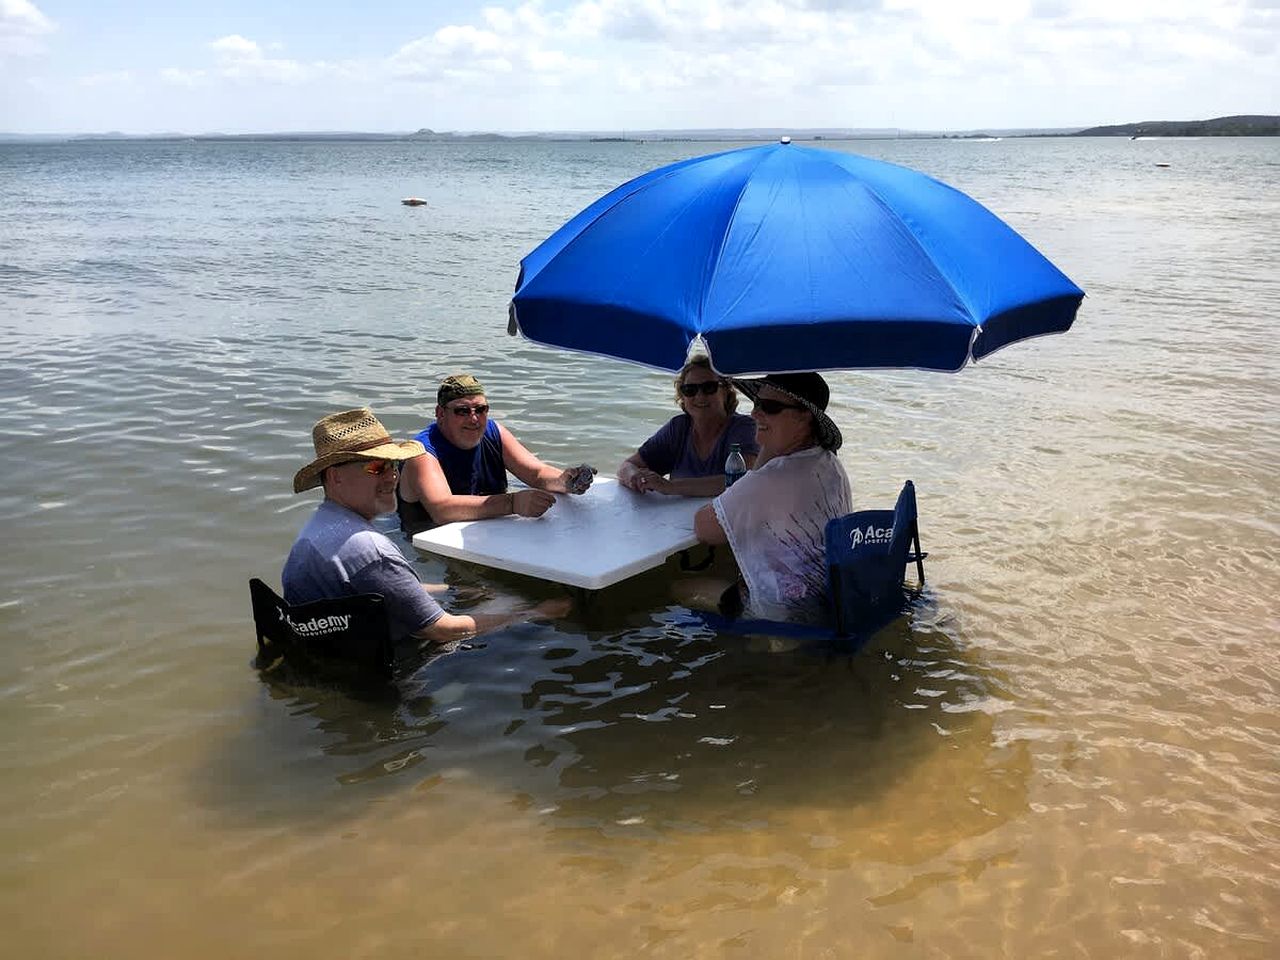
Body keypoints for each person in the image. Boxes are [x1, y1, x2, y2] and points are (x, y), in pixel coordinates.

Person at [284, 408, 569, 646]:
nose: (392, 477)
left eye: (393, 465)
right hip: (377, 676)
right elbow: (445, 630)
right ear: (335, 477)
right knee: (528, 640)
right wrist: (533, 612)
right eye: (375, 468)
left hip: (329, 654)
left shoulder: (318, 529)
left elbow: (379, 588)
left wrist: (448, 588)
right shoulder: (370, 550)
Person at [691, 372, 852, 625]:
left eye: (770, 407)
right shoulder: (829, 463)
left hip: (782, 610)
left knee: (684, 587)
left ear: (803, 417)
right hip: (828, 599)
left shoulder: (769, 481)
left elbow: (704, 529)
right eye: (756, 403)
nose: (755, 414)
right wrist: (770, 441)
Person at [398, 374, 596, 533]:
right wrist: (512, 503)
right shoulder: (421, 453)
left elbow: (536, 473)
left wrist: (565, 481)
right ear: (440, 413)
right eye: (462, 411)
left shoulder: (494, 432)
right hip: (432, 548)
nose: (474, 419)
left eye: (481, 409)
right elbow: (442, 509)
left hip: (487, 533)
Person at [617, 355, 759, 497]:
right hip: (676, 517)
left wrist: (670, 486)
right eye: (690, 390)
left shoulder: (744, 427)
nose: (699, 396)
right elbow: (627, 466)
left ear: (726, 391)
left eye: (709, 388)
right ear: (682, 396)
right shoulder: (678, 428)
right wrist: (636, 478)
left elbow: (743, 481)